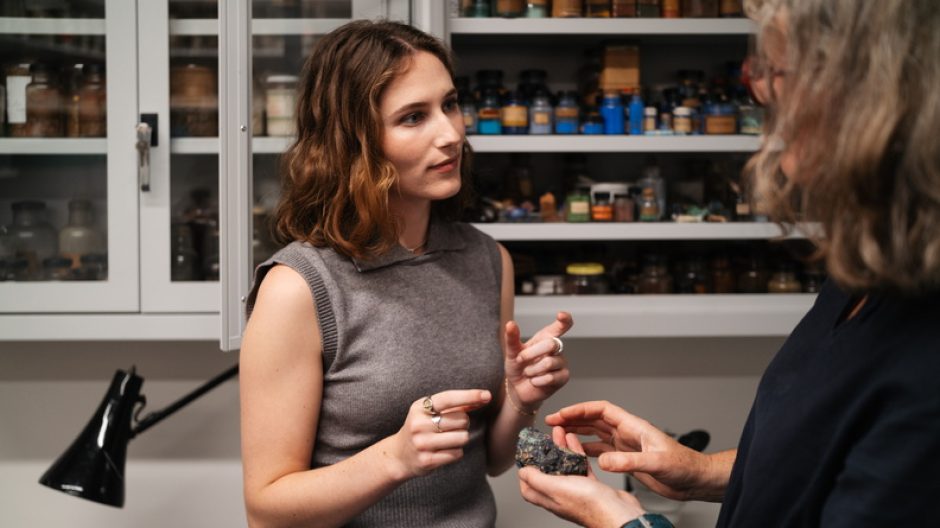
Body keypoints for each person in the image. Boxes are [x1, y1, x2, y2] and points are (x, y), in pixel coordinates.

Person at [518, 0, 940, 526]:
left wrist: (626, 523)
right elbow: (821, 461)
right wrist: (699, 470)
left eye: (776, 71)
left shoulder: (925, 360)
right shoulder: (869, 269)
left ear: (871, 96)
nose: (756, 86)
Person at [239, 20, 573, 527]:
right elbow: (267, 513)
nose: (452, 133)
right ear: (353, 143)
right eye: (414, 117)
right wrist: (394, 458)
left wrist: (520, 399)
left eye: (451, 104)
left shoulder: (487, 260)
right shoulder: (300, 287)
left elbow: (492, 460)